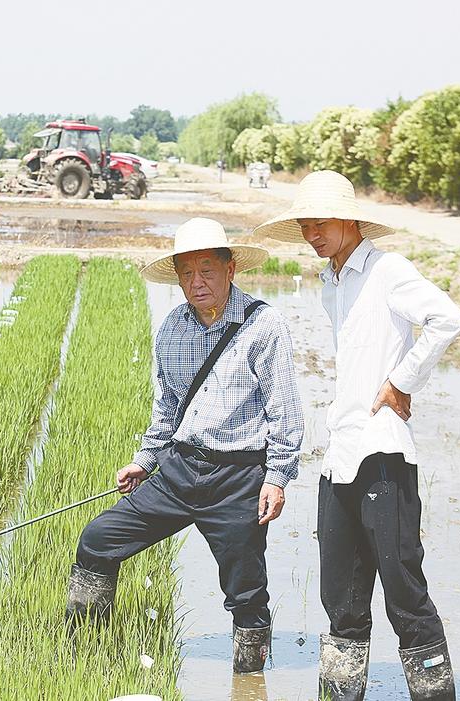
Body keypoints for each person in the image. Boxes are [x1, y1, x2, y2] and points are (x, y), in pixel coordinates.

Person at [256, 170, 460, 700]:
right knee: (341, 600)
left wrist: (401, 380)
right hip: (340, 457)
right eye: (304, 224)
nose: (311, 233)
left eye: (319, 222)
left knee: (403, 591)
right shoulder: (331, 281)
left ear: (349, 220)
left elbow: (448, 319)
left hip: (384, 456)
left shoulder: (388, 269)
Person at [67, 217, 305, 674]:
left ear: (230, 268)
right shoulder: (172, 328)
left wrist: (277, 478)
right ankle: (84, 654)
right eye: (186, 273)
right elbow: (167, 408)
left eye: (207, 271)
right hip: (177, 472)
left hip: (239, 480)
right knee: (98, 540)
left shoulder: (263, 325)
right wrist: (144, 460)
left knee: (246, 592)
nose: (197, 283)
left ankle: (249, 680)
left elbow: (285, 411)